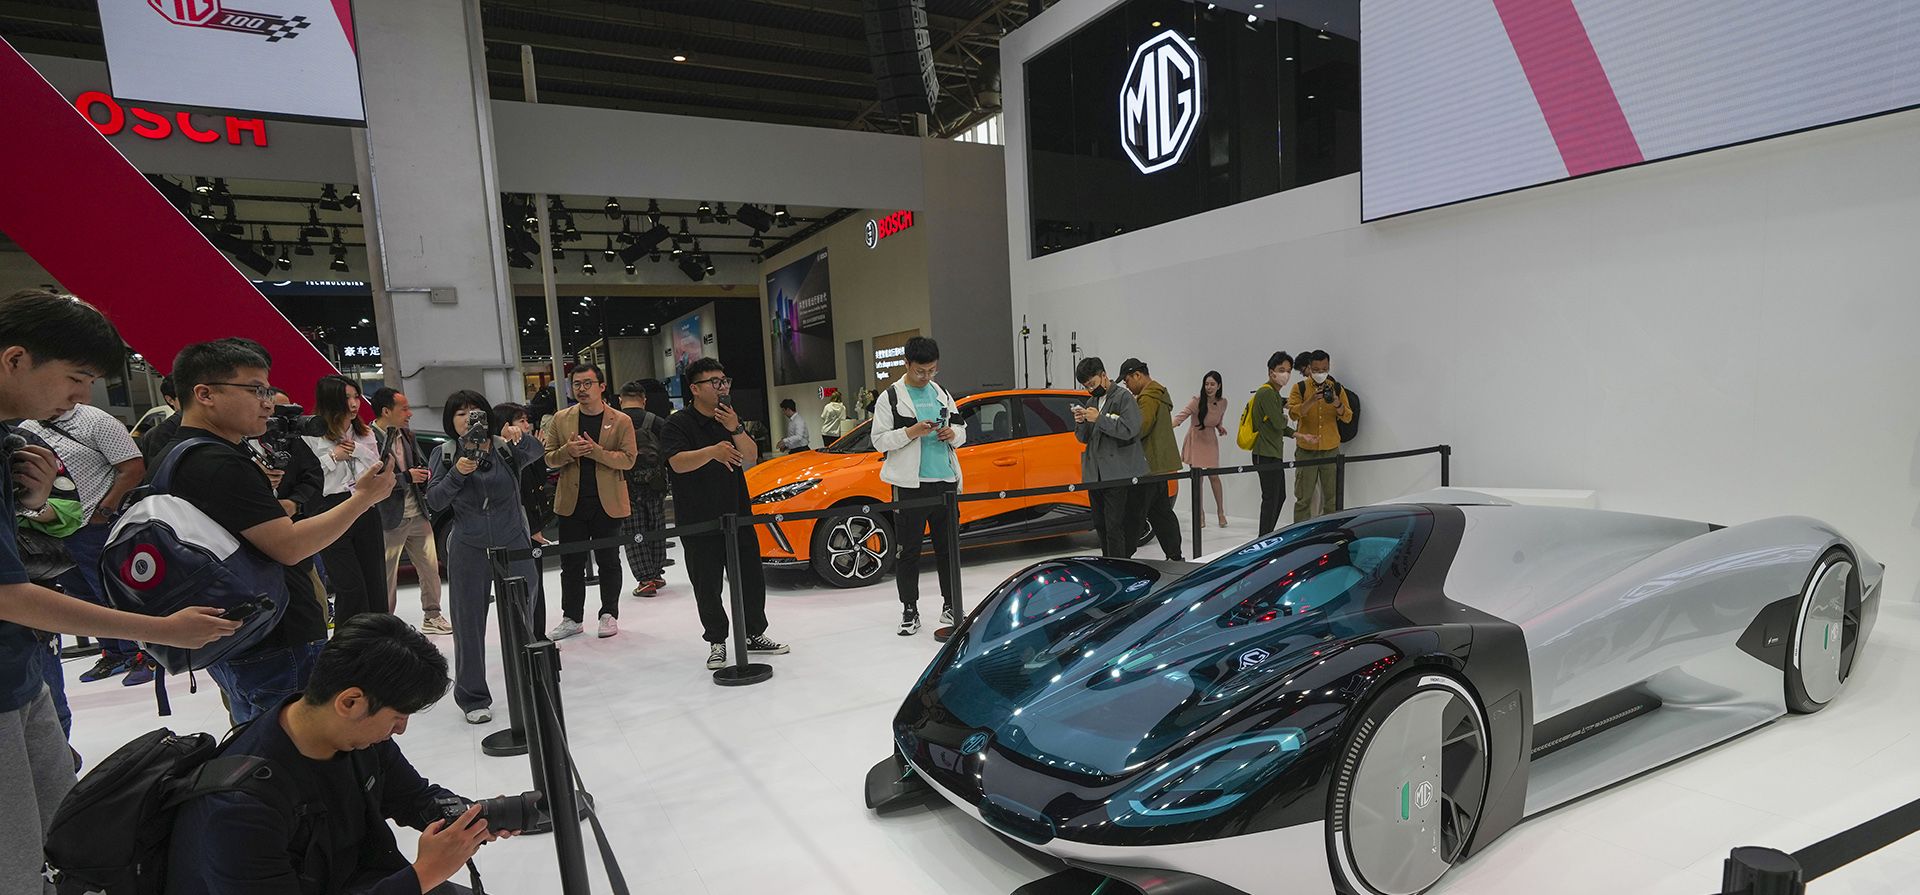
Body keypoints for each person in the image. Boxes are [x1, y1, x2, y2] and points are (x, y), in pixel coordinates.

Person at [0, 294, 239, 895]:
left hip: (21, 668)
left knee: (59, 833)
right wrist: (159, 630)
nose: (81, 396)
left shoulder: (14, 440)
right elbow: (7, 594)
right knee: (16, 859)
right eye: (76, 378)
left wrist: (27, 502)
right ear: (15, 360)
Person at [166, 613, 515, 895]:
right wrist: (422, 875)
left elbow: (413, 798)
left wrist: (472, 819)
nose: (400, 730)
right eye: (397, 717)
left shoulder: (358, 739)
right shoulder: (240, 809)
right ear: (350, 702)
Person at [154, 338, 395, 725]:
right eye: (255, 390)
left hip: (239, 632)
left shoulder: (177, 453)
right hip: (274, 635)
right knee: (295, 752)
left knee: (256, 743)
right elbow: (289, 546)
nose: (268, 402)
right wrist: (363, 498)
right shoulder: (218, 462)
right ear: (204, 394)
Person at [660, 357, 790, 669]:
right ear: (694, 388)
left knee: (750, 578)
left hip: (738, 513)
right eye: (714, 382)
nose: (722, 387)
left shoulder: (730, 419)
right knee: (707, 584)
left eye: (724, 381)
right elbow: (677, 462)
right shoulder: (678, 424)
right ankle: (717, 641)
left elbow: (750, 456)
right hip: (698, 518)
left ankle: (753, 634)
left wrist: (735, 428)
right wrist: (712, 452)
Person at [426, 391, 545, 725]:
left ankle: (531, 686)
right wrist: (458, 473)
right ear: (450, 421)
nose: (468, 418)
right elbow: (434, 500)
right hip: (468, 547)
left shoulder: (505, 447)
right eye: (460, 413)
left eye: (475, 412)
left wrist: (519, 437)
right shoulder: (445, 453)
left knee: (525, 619)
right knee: (468, 623)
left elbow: (539, 453)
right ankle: (473, 697)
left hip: (514, 543)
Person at [20, 402, 149, 685]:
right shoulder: (27, 427)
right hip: (52, 528)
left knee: (115, 591)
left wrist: (104, 511)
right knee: (81, 595)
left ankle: (143, 654)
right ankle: (113, 652)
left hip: (97, 524)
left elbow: (133, 468)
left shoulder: (94, 419)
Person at [869, 337, 966, 636]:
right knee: (908, 551)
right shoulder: (892, 397)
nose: (927, 377)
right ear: (907, 364)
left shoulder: (942, 393)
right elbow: (879, 440)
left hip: (945, 481)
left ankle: (952, 605)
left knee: (948, 549)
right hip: (910, 484)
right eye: (921, 371)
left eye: (932, 371)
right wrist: (910, 432)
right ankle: (909, 609)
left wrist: (953, 434)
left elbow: (963, 430)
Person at [540, 364, 636, 640]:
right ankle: (572, 617)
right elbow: (548, 458)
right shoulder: (561, 418)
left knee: (609, 560)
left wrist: (597, 452)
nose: (581, 389)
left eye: (587, 383)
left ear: (602, 386)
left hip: (607, 501)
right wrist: (567, 452)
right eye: (576, 384)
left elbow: (628, 460)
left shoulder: (621, 420)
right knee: (571, 563)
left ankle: (609, 613)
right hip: (572, 501)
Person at [303, 376, 388, 626]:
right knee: (350, 585)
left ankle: (380, 640)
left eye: (356, 397)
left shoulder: (365, 432)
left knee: (375, 581)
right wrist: (333, 456)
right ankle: (349, 644)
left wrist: (358, 450)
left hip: (365, 505)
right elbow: (309, 474)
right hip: (331, 508)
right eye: (347, 398)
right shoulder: (313, 434)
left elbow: (377, 464)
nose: (354, 404)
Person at [370, 388, 447, 634]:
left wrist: (423, 476)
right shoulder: (368, 438)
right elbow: (371, 479)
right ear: (386, 411)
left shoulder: (407, 435)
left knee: (430, 567)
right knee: (386, 575)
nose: (410, 413)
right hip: (388, 517)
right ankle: (385, 623)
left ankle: (433, 615)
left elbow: (416, 467)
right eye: (404, 408)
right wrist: (406, 477)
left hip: (417, 513)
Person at [1070, 357, 1148, 557]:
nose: (1090, 389)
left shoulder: (1123, 398)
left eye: (1092, 384)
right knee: (1101, 524)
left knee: (1115, 525)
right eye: (1086, 386)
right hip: (1095, 475)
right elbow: (1084, 438)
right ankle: (1108, 562)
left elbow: (1130, 429)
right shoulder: (1091, 401)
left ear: (1104, 375)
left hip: (1117, 473)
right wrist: (1080, 422)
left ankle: (1120, 565)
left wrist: (1099, 419)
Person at [1118, 358, 1183, 562]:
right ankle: (1175, 555)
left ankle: (1122, 558)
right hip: (1159, 467)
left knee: (1134, 515)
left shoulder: (1147, 398)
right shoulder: (1160, 395)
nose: (1127, 386)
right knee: (1161, 513)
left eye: (1127, 380)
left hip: (1147, 467)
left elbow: (1140, 427)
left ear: (1138, 375)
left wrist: (1122, 423)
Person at [615, 380, 668, 597]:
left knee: (633, 530)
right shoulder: (657, 421)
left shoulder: (615, 423)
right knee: (657, 527)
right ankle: (656, 574)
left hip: (626, 485)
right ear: (644, 400)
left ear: (620, 400)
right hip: (655, 483)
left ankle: (645, 580)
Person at [1288, 349, 1352, 522]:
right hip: (1306, 451)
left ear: (1329, 367)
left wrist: (1337, 403)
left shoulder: (1337, 388)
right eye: (1316, 370)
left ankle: (1331, 532)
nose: (1320, 373)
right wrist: (1311, 401)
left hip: (1331, 450)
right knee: (1303, 499)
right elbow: (1293, 414)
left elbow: (1348, 416)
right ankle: (1300, 536)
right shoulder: (1299, 388)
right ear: (1309, 367)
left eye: (1324, 369)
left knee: (1332, 499)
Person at [1173, 371, 1230, 528]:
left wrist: (1220, 427)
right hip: (1195, 440)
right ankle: (1200, 514)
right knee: (1198, 480)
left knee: (1214, 477)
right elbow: (1181, 417)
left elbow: (1217, 419)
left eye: (1212, 384)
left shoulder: (1223, 402)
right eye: (1206, 384)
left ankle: (1220, 512)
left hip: (1210, 440)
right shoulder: (1196, 401)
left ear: (1219, 386)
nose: (1209, 387)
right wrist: (1166, 426)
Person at [1251, 352, 1297, 533]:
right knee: (1271, 498)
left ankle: (1266, 534)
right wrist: (1285, 413)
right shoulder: (1267, 393)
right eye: (1281, 370)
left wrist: (1297, 435)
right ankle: (1264, 537)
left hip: (1272, 452)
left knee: (1279, 496)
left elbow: (1277, 426)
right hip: (1265, 453)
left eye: (1288, 370)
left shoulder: (1274, 395)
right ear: (1271, 372)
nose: (1285, 374)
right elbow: (1278, 423)